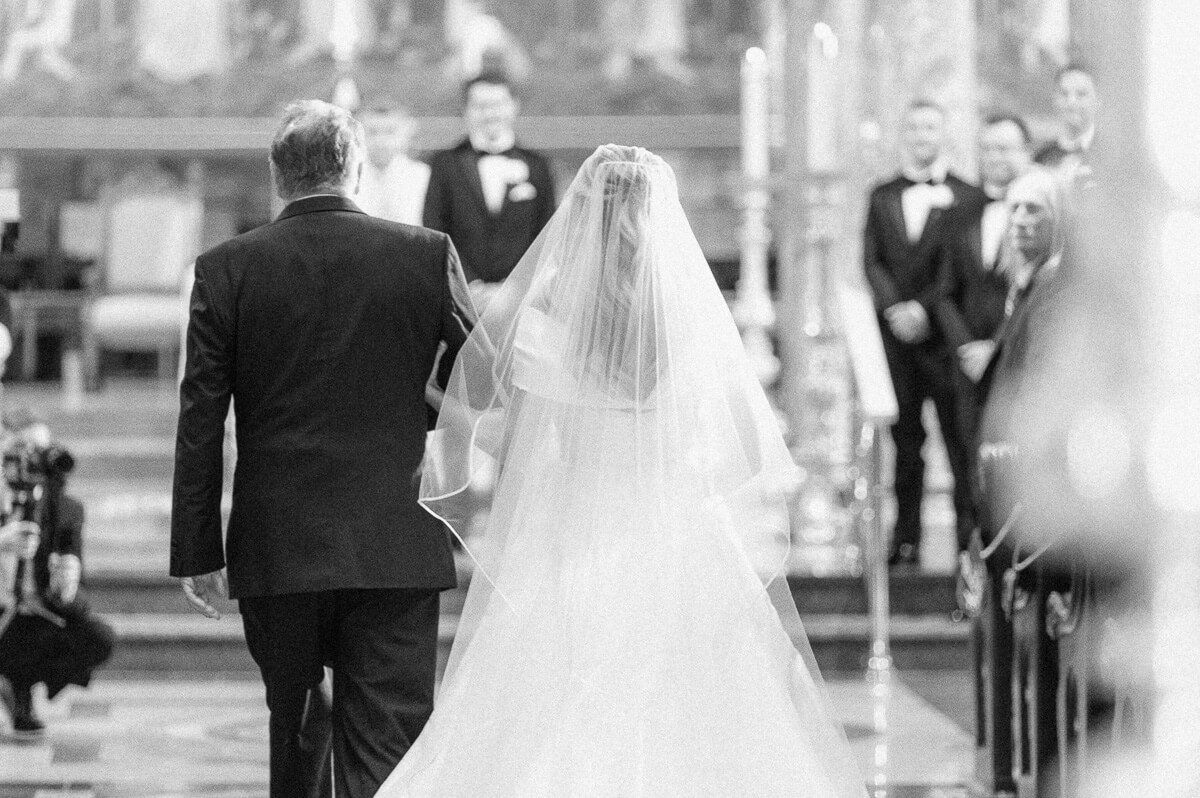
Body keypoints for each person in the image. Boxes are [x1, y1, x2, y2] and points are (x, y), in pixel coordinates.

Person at [375, 145, 867, 798]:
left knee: (557, 705)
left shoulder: (555, 304)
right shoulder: (686, 305)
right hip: (679, 535)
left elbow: (523, 445)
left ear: (582, 215)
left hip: (579, 532)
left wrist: (461, 420)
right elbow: (747, 450)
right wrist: (681, 478)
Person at [170, 100, 474, 798]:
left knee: (297, 730)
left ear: (277, 178)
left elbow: (201, 419)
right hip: (394, 537)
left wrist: (197, 550)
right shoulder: (426, 254)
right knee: (391, 746)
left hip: (277, 542)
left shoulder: (226, 269)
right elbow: (484, 374)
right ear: (357, 170)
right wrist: (419, 412)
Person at [863, 99, 985, 567]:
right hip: (897, 343)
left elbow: (959, 269)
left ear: (943, 134)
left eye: (930, 127)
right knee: (906, 443)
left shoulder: (967, 195)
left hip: (946, 340)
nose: (921, 135)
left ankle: (966, 540)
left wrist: (923, 309)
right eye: (913, 127)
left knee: (958, 441)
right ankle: (905, 539)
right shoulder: (882, 195)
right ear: (903, 134)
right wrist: (896, 308)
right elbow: (871, 260)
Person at [935, 113, 1033, 553]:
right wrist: (966, 348)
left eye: (1005, 148)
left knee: (1014, 468)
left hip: (1017, 362)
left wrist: (996, 347)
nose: (994, 157)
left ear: (1026, 153)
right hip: (966, 365)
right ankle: (969, 573)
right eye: (987, 148)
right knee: (965, 463)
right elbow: (942, 291)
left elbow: (1034, 292)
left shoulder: (1040, 215)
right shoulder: (958, 213)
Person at [0, 413, 113, 739]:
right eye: (26, 448)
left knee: (96, 637)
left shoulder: (66, 510)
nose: (35, 457)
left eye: (43, 448)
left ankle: (18, 686)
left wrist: (66, 589)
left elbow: (75, 604)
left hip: (28, 617)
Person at [422, 70, 556, 311]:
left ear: (514, 106)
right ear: (466, 110)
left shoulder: (538, 166)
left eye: (498, 104)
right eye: (480, 105)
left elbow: (547, 233)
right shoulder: (444, 164)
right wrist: (470, 286)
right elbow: (435, 229)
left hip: (522, 302)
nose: (490, 113)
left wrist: (514, 288)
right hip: (459, 300)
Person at [356, 104, 431, 226]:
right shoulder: (345, 178)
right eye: (372, 132)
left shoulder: (423, 176)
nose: (380, 141)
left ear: (405, 133)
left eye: (390, 132)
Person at [1034, 63, 1097, 182]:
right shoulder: (1042, 158)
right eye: (1064, 94)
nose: (1071, 102)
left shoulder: (1112, 155)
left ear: (1098, 100)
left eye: (1081, 94)